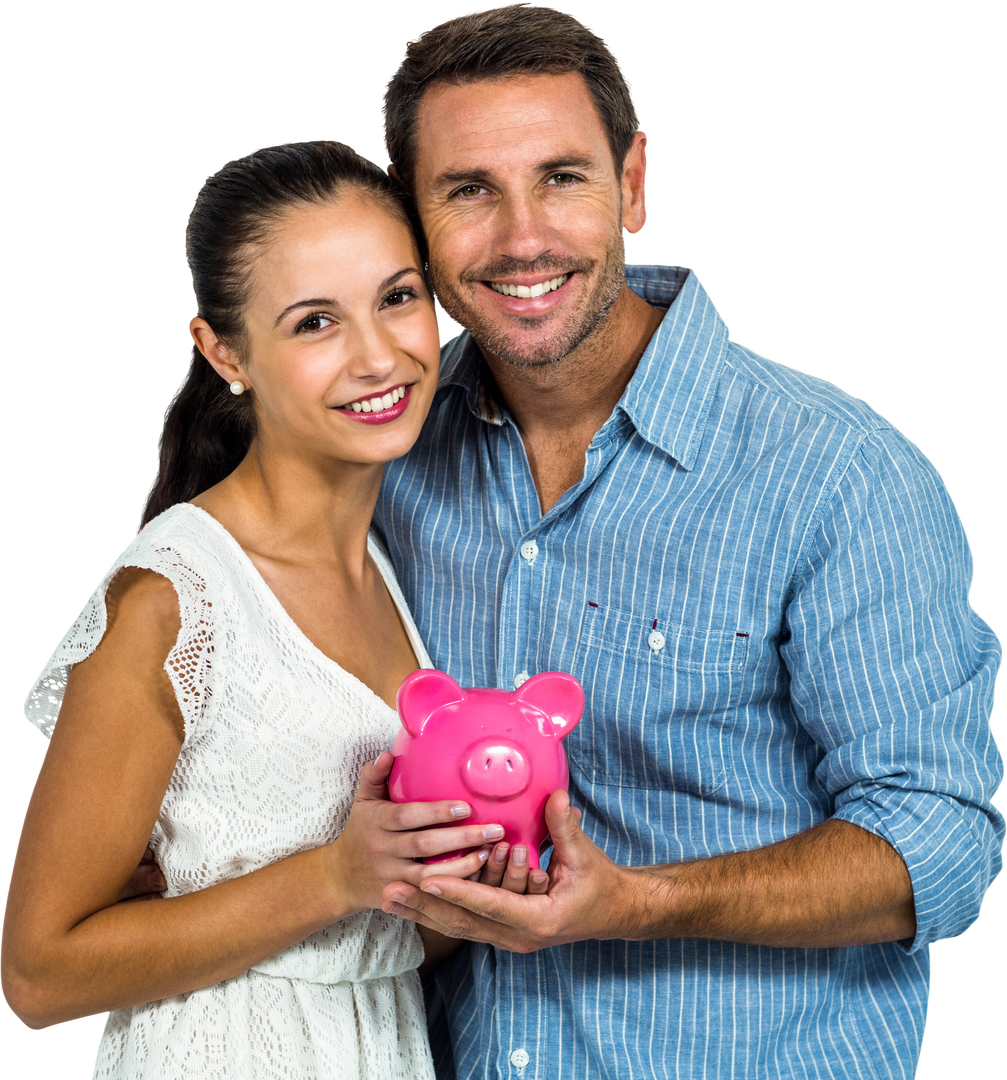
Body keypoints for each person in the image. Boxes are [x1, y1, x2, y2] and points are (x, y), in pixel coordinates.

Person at [357, 5, 1001, 1079]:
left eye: (561, 177)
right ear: (411, 222)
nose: (521, 236)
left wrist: (638, 904)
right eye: (468, 190)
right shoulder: (383, 461)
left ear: (635, 183)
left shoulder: (837, 473)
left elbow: (937, 849)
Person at [3, 138, 537, 1078]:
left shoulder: (393, 567)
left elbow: (370, 933)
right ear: (223, 351)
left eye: (397, 297)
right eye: (315, 322)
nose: (379, 356)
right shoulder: (176, 601)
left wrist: (465, 879)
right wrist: (334, 873)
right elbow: (39, 976)